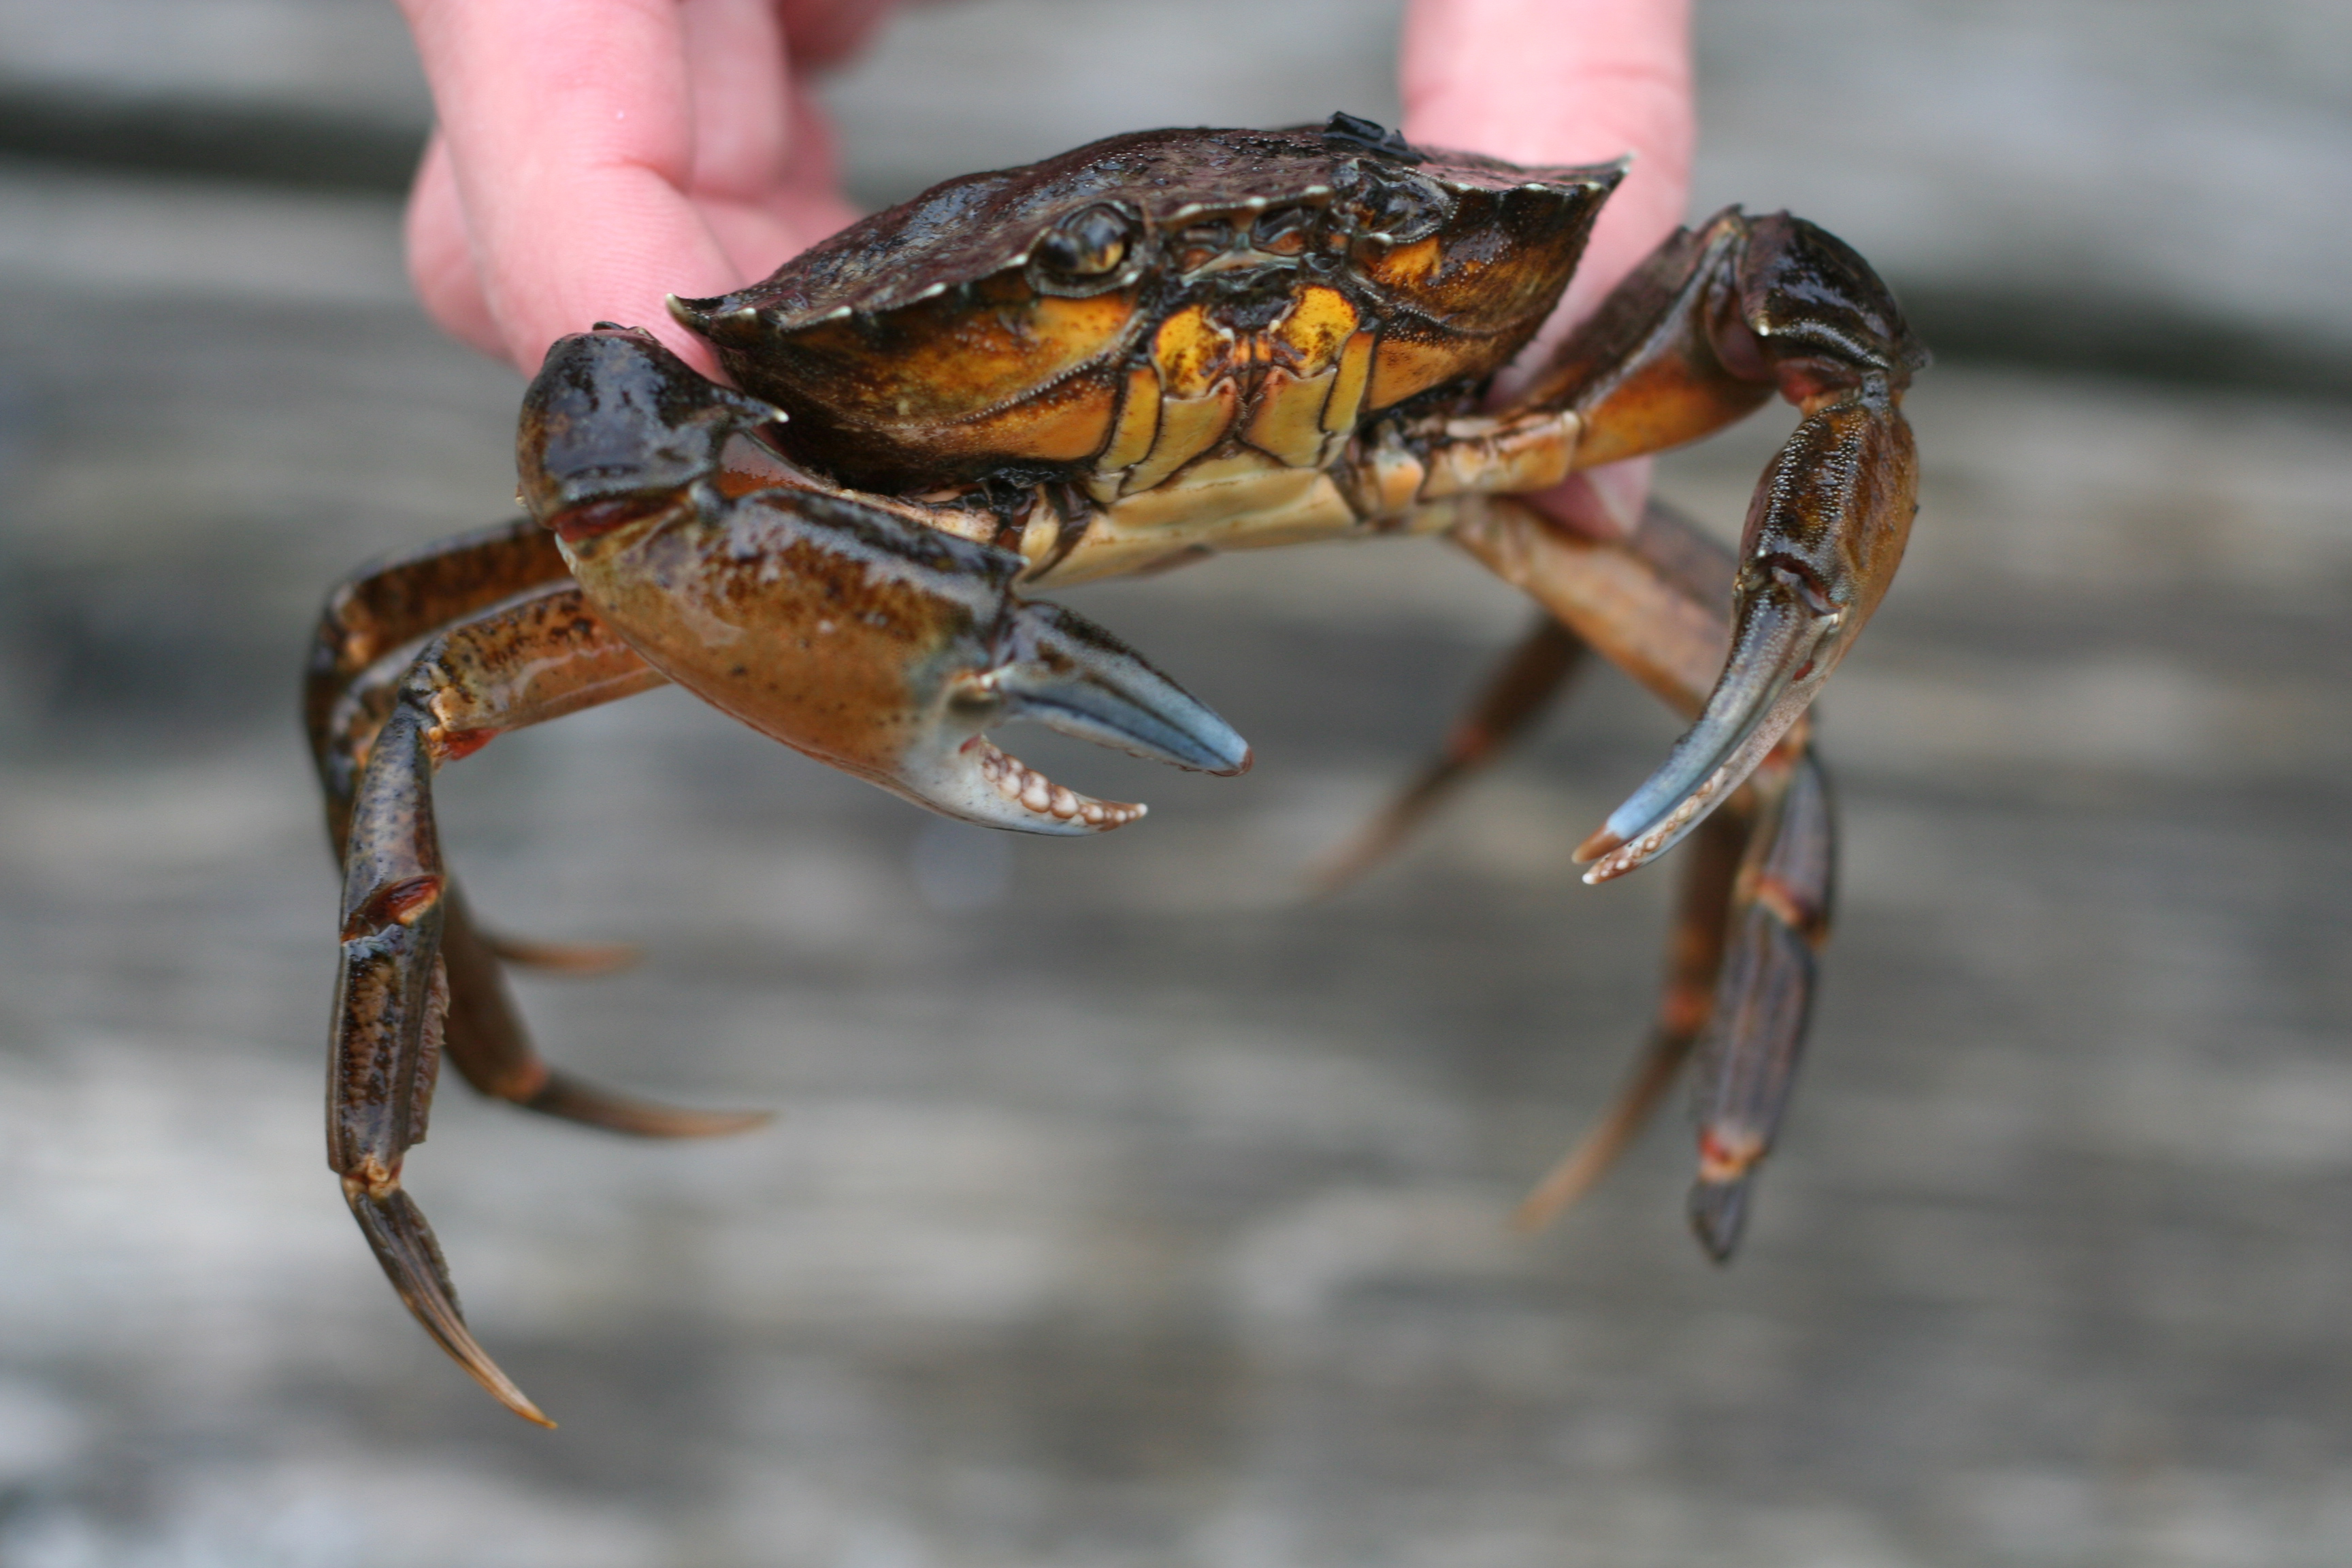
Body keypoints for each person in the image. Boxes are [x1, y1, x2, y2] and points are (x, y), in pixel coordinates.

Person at [395, 0, 1692, 536]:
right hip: (899, 525)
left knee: (1792, 299)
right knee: (412, 679)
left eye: (1379, 222)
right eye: (1093, 272)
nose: (1241, 331)